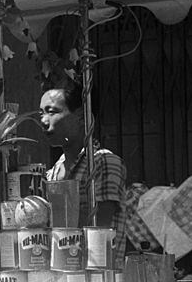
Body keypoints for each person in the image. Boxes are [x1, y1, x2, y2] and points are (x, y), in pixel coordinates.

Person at [39, 80, 127, 233]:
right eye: (41, 113)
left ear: (81, 116)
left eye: (51, 112)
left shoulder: (103, 162)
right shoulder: (52, 172)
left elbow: (99, 227)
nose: (43, 121)